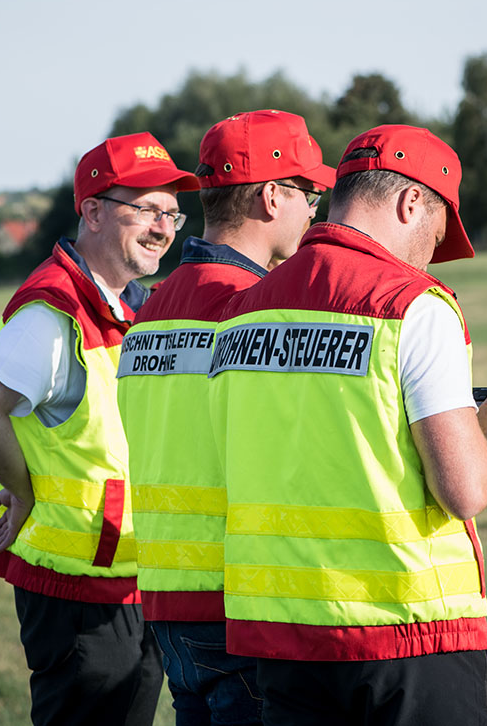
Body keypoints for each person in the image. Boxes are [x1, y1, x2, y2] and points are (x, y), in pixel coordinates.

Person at [207, 124, 487, 725]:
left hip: (282, 631)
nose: (429, 254)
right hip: (405, 629)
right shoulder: (413, 304)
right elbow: (462, 489)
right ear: (411, 201)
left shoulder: (240, 311)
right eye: (436, 234)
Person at [0, 132, 199, 725]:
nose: (162, 227)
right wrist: (27, 488)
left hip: (129, 578)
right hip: (78, 591)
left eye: (171, 211)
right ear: (91, 211)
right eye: (144, 209)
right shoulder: (53, 311)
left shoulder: (132, 304)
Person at [116, 109, 336, 725]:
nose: (316, 209)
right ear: (272, 196)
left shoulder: (156, 305)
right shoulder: (243, 308)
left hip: (167, 593)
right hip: (239, 595)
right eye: (310, 192)